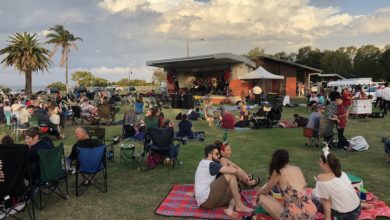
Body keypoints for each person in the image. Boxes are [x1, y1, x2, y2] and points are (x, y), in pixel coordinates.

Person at [194, 145, 253, 218]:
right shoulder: (210, 164)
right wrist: (240, 177)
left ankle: (230, 209)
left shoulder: (203, 162)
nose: (219, 156)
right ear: (210, 155)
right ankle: (239, 205)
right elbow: (232, 171)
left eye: (219, 154)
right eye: (216, 154)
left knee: (236, 192)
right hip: (206, 199)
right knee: (230, 174)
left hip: (206, 201)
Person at [255, 149, 317, 220]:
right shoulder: (297, 169)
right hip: (310, 210)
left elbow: (266, 190)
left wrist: (258, 193)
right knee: (278, 200)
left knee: (262, 197)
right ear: (288, 159)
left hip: (295, 215)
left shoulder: (279, 172)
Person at [314, 147, 361, 220]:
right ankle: (363, 205)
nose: (318, 163)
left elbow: (326, 203)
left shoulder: (321, 179)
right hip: (358, 209)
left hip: (345, 216)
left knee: (313, 199)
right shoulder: (342, 173)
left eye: (320, 161)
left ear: (326, 164)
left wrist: (327, 218)